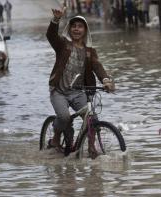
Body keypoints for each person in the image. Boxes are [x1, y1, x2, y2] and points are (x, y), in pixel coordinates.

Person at [46, 7, 115, 157]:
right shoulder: (63, 44)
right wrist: (56, 20)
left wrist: (106, 80)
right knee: (64, 117)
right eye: (74, 26)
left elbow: (97, 66)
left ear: (85, 30)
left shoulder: (89, 51)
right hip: (59, 91)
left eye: (80, 27)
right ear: (70, 29)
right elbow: (51, 36)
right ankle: (56, 138)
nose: (76, 29)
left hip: (78, 92)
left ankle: (91, 147)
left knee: (92, 118)